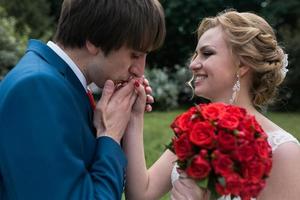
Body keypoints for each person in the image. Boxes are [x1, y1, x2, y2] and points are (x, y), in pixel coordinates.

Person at [123, 10, 300, 200]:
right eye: (196, 54)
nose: (193, 64)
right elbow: (140, 194)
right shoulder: (197, 130)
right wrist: (134, 116)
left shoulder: (282, 150)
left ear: (242, 65)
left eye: (207, 53)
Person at [0, 0, 165, 199]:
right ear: (94, 40)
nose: (139, 70)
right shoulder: (38, 88)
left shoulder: (60, 83)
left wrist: (125, 121)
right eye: (135, 54)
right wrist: (110, 136)